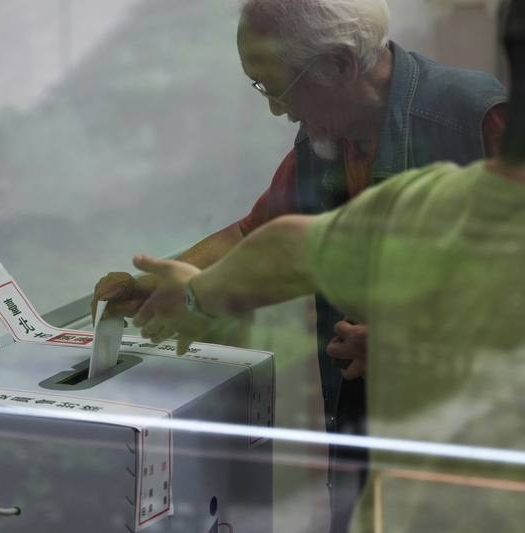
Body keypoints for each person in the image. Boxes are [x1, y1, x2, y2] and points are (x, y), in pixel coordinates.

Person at [92, 1, 507, 530]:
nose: (277, 110)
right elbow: (256, 231)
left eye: (277, 87)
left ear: (338, 64)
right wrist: (159, 283)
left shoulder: (474, 118)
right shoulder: (326, 141)